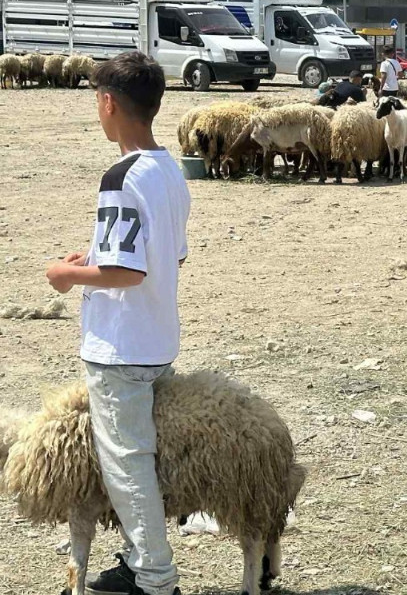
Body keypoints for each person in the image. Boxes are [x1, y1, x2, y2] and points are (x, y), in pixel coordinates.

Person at [44, 51, 191, 595]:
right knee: (143, 459)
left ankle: (155, 579)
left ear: (108, 104)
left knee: (126, 466)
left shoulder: (120, 177)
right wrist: (92, 258)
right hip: (157, 339)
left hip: (120, 347)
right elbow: (167, 256)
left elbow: (126, 271)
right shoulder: (168, 169)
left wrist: (66, 274)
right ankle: (138, 559)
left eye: (96, 102)